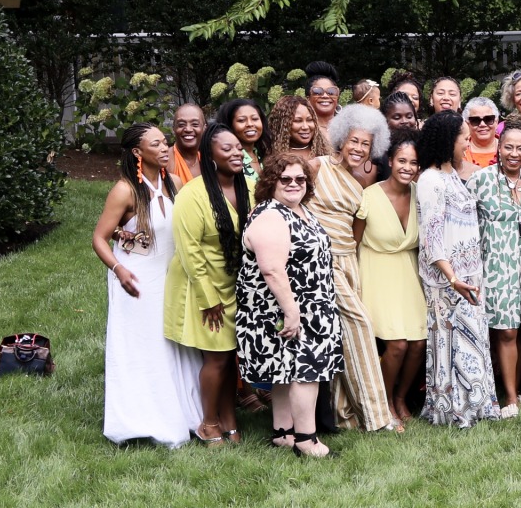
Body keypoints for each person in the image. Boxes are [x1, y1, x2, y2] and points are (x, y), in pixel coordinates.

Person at [95, 124, 203, 445]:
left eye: (164, 142)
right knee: (144, 347)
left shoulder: (177, 184)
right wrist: (118, 269)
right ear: (138, 153)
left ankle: (184, 414)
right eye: (155, 144)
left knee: (175, 346)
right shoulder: (125, 190)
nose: (165, 148)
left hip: (171, 277)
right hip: (137, 278)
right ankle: (142, 420)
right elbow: (99, 238)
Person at [237, 150, 342, 458]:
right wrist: (292, 311)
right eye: (286, 179)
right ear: (271, 181)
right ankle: (307, 441)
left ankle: (284, 433)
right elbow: (271, 268)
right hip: (287, 308)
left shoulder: (299, 210)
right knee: (305, 373)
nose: (294, 184)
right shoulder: (272, 214)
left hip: (308, 306)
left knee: (285, 371)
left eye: (300, 179)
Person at [306, 103, 395, 432]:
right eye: (355, 141)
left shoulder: (360, 181)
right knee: (360, 324)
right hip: (320, 262)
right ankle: (377, 416)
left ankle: (345, 414)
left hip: (349, 262)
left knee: (345, 336)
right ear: (341, 138)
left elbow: (356, 230)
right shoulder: (315, 167)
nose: (359, 148)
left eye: (366, 144)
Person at [415, 111, 499, 428]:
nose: (468, 141)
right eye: (463, 136)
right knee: (451, 343)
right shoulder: (430, 180)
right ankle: (452, 408)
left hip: (469, 275)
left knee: (472, 340)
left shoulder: (452, 175)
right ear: (449, 140)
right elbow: (432, 237)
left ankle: (476, 403)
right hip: (447, 280)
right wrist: (453, 279)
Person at [166, 123, 248, 445]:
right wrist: (208, 297)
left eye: (238, 147)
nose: (236, 152)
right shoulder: (192, 195)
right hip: (203, 286)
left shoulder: (247, 190)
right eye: (226, 148)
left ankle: (229, 420)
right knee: (216, 358)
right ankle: (208, 422)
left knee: (230, 356)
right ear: (210, 156)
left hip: (235, 284)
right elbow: (189, 250)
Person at [354, 132, 425, 430]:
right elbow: (353, 243)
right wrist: (352, 285)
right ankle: (381, 404)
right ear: (390, 161)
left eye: (414, 163)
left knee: (419, 342)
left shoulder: (421, 194)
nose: (407, 167)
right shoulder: (369, 196)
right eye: (402, 161)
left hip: (407, 273)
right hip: (375, 271)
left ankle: (400, 399)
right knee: (396, 345)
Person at [475, 125, 521, 416]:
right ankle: (510, 398)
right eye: (508, 147)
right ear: (499, 148)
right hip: (494, 265)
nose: (514, 154)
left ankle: (514, 386)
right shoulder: (480, 180)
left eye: (520, 148)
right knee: (506, 331)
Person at [216, 98, 267, 189]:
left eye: (255, 119)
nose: (250, 124)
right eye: (241, 120)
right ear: (230, 125)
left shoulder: (266, 154)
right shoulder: (229, 159)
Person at [271, 93, 329, 159]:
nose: (306, 127)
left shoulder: (324, 153)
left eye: (310, 120)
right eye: (298, 121)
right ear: (282, 124)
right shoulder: (272, 156)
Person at [167, 102, 206, 187]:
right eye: (181, 125)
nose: (188, 129)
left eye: (195, 124)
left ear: (204, 128)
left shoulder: (209, 161)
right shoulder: (165, 160)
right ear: (173, 129)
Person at [460, 97, 500, 174]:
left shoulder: (509, 149)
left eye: (488, 119)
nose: (482, 124)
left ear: (496, 121)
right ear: (467, 123)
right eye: (475, 120)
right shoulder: (459, 152)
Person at [305, 69, 342, 136]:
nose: (325, 96)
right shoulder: (303, 128)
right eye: (318, 92)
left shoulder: (348, 125)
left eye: (331, 92)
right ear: (308, 99)